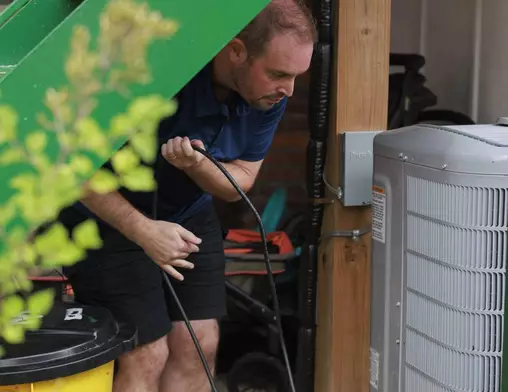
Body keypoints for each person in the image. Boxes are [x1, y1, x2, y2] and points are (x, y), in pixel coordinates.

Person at [58, 1, 316, 391]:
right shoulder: (155, 73)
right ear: (235, 51)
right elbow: (75, 169)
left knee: (199, 342)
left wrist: (197, 166)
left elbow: (241, 181)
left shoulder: (269, 95)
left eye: (296, 76)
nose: (289, 89)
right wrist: (144, 232)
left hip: (188, 213)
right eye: (278, 73)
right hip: (104, 217)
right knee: (147, 353)